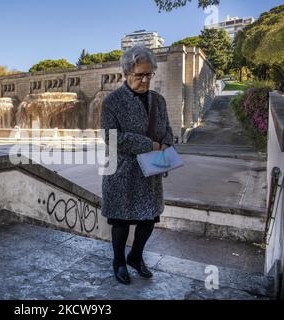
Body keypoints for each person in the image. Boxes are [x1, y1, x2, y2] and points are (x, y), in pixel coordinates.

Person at [100, 45, 174, 285]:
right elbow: (112, 138)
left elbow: (168, 128)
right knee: (120, 222)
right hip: (122, 172)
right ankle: (119, 262)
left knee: (149, 219)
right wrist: (150, 145)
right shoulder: (112, 101)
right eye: (139, 75)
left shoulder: (159, 101)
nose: (144, 80)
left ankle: (136, 256)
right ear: (126, 73)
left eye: (149, 74)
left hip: (150, 171)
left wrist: (166, 143)